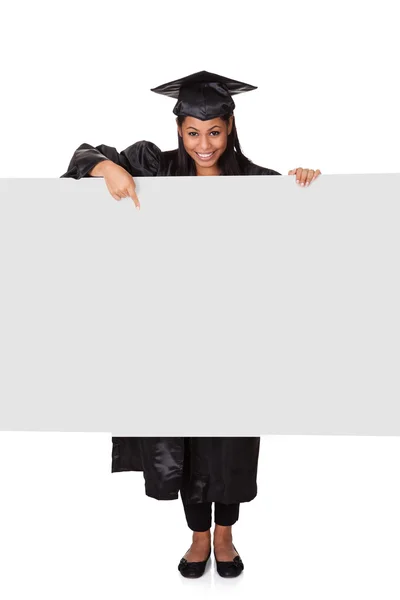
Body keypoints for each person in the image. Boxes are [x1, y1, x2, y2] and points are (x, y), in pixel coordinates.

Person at [61, 70, 321, 578]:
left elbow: (302, 239)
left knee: (230, 447)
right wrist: (106, 170)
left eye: (215, 131)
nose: (204, 144)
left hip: (236, 345)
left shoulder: (258, 184)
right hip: (171, 341)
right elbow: (81, 156)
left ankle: (226, 536)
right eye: (193, 132)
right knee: (185, 445)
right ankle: (198, 538)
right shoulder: (154, 169)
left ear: (231, 128)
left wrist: (305, 186)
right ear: (179, 130)